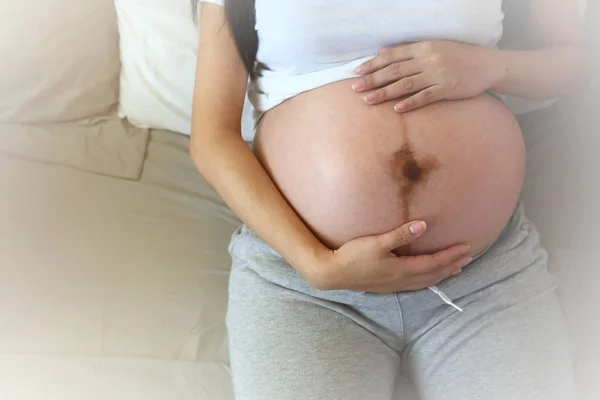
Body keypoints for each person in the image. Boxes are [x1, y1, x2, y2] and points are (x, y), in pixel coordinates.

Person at [190, 1, 589, 399]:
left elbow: (575, 65)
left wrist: (489, 66)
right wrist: (316, 265)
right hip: (307, 282)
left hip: (482, 276)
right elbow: (212, 137)